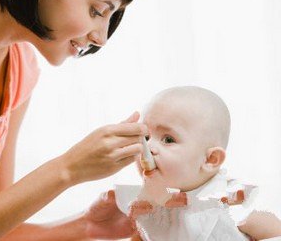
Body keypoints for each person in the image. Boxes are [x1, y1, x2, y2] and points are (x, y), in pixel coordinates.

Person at [0, 0, 148, 240]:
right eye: (97, 10)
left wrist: (86, 225)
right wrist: (68, 169)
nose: (102, 38)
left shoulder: (19, 66)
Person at [114, 86, 281, 240]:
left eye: (168, 139)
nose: (148, 147)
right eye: (146, 137)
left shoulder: (236, 202)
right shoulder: (148, 207)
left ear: (210, 160)